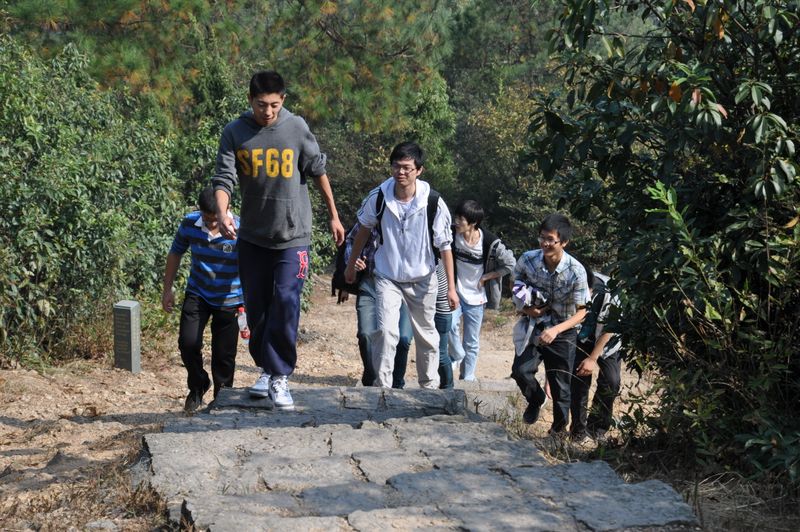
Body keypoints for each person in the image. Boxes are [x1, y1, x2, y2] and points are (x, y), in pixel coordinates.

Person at [212, 70, 345, 410]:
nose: (268, 111)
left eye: (274, 105)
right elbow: (224, 179)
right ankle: (267, 369)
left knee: (286, 301)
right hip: (252, 236)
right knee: (256, 308)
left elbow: (318, 171)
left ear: (283, 100)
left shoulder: (296, 127)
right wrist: (223, 214)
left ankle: (280, 374)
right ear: (250, 100)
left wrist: (333, 215)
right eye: (261, 105)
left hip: (292, 235)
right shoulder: (235, 132)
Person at [344, 141, 458, 389]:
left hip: (423, 277)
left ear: (419, 170)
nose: (401, 172)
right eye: (396, 166)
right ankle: (382, 389)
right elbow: (363, 231)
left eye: (407, 168)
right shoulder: (378, 197)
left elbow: (445, 246)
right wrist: (350, 265)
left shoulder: (434, 202)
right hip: (388, 276)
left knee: (426, 335)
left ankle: (429, 389)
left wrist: (451, 288)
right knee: (386, 333)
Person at [162, 187, 244, 412]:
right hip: (198, 293)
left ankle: (222, 400)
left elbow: (251, 264)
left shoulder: (240, 228)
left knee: (224, 355)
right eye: (207, 219)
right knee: (187, 343)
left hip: (230, 299)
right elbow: (175, 253)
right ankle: (198, 385)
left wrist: (249, 301)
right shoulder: (190, 223)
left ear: (226, 208)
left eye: (215, 219)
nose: (211, 224)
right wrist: (167, 289)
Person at [511, 213, 590, 434]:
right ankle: (536, 399)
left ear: (563, 242)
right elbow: (514, 284)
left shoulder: (576, 270)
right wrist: (526, 309)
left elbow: (582, 312)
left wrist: (556, 330)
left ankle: (558, 431)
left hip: (563, 330)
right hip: (534, 325)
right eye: (542, 238)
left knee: (560, 385)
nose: (545, 243)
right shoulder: (528, 259)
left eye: (550, 239)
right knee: (520, 371)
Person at [336, 222, 413, 388]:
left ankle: (396, 384)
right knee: (366, 334)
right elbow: (350, 240)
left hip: (403, 287)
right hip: (370, 284)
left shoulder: (410, 221)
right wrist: (353, 261)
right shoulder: (371, 216)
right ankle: (371, 379)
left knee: (403, 338)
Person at [449, 200, 516, 381]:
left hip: (477, 296)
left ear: (473, 222)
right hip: (455, 292)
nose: (456, 222)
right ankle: (456, 354)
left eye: (460, 219)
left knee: (471, 341)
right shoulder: (451, 234)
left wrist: (488, 276)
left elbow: (511, 264)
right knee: (449, 325)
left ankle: (468, 377)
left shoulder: (490, 242)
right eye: (456, 217)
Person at [570, 268, 623, 443]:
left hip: (608, 342)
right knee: (579, 381)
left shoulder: (611, 292)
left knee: (611, 381)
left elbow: (611, 327)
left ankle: (597, 428)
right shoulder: (570, 286)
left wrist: (592, 358)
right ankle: (578, 430)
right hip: (581, 338)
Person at [434, 261, 456, 388]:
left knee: (440, 354)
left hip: (442, 308)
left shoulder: (439, 266)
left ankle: (448, 388)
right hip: (433, 308)